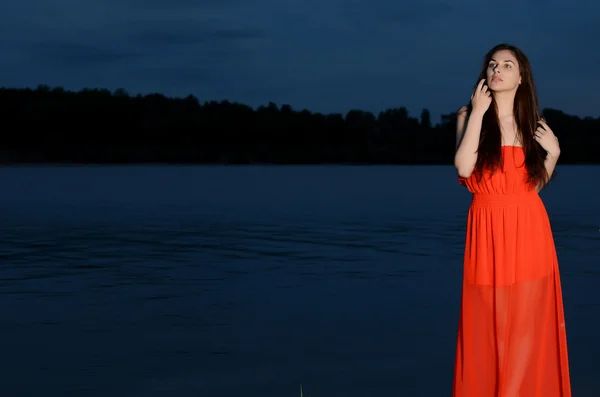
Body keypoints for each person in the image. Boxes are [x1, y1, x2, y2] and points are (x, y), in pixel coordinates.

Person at [452, 43, 571, 397]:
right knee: (487, 322)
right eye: (492, 64)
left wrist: (555, 154)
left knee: (524, 326)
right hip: (486, 230)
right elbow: (462, 168)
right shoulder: (468, 117)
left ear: (522, 79)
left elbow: (532, 185)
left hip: (529, 229)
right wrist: (477, 113)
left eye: (507, 65)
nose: (497, 70)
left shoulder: (532, 125)